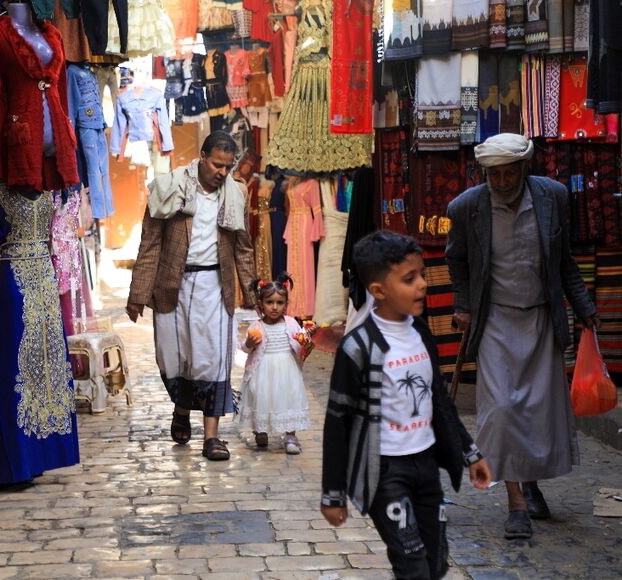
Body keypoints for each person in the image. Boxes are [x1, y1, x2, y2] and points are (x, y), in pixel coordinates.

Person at [445, 133, 598, 540]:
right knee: (502, 410)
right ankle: (516, 504)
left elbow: (563, 260)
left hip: (541, 318)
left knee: (535, 412)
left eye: (509, 172)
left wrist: (584, 308)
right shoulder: (466, 208)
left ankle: (530, 484)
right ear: (485, 173)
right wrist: (463, 304)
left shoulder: (553, 197)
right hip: (494, 320)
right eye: (495, 174)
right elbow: (455, 259)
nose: (502, 180)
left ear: (525, 168)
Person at [321, 231, 492, 580]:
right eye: (409, 279)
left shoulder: (421, 333)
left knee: (435, 562)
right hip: (385, 473)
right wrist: (333, 493)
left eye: (422, 275)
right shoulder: (357, 347)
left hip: (426, 465)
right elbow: (337, 421)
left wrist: (470, 452)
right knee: (412, 563)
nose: (423, 286)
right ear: (378, 291)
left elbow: (439, 400)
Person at [127, 131, 256, 461]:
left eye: (228, 167)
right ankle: (182, 409)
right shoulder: (170, 188)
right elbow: (150, 244)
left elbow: (243, 248)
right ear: (202, 156)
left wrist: (253, 293)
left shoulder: (235, 196)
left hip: (216, 286)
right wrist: (138, 294)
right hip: (173, 285)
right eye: (216, 165)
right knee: (174, 359)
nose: (222, 173)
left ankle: (212, 437)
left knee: (213, 360)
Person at [239, 273, 311, 454]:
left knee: (289, 399)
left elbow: (300, 342)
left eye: (280, 303)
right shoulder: (257, 326)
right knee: (262, 397)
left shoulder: (291, 323)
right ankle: (260, 429)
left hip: (287, 370)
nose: (274, 307)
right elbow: (245, 348)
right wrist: (249, 344)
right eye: (270, 302)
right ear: (260, 304)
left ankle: (290, 435)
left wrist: (308, 338)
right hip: (262, 370)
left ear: (286, 304)